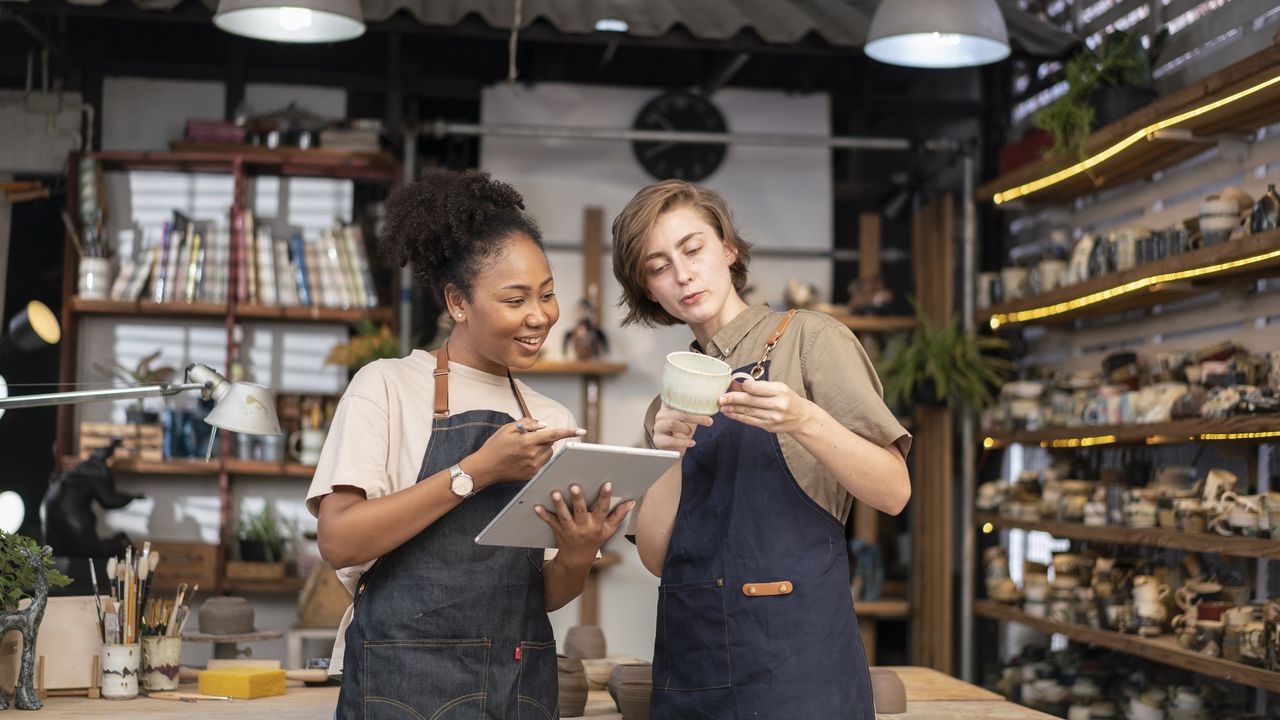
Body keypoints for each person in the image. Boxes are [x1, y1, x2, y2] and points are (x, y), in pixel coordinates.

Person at [308, 169, 632, 719]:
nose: (540, 316)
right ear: (458, 302)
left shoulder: (549, 417)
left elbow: (544, 596)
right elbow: (339, 540)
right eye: (516, 299)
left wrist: (578, 552)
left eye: (548, 294)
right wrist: (475, 471)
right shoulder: (386, 387)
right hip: (401, 681)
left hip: (517, 682)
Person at [611, 179, 912, 719]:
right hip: (692, 667)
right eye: (658, 267)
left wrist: (804, 419)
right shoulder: (665, 408)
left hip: (798, 666)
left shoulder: (809, 340)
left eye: (693, 248)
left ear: (727, 248)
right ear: (648, 290)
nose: (682, 274)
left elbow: (893, 492)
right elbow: (658, 558)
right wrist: (670, 456)